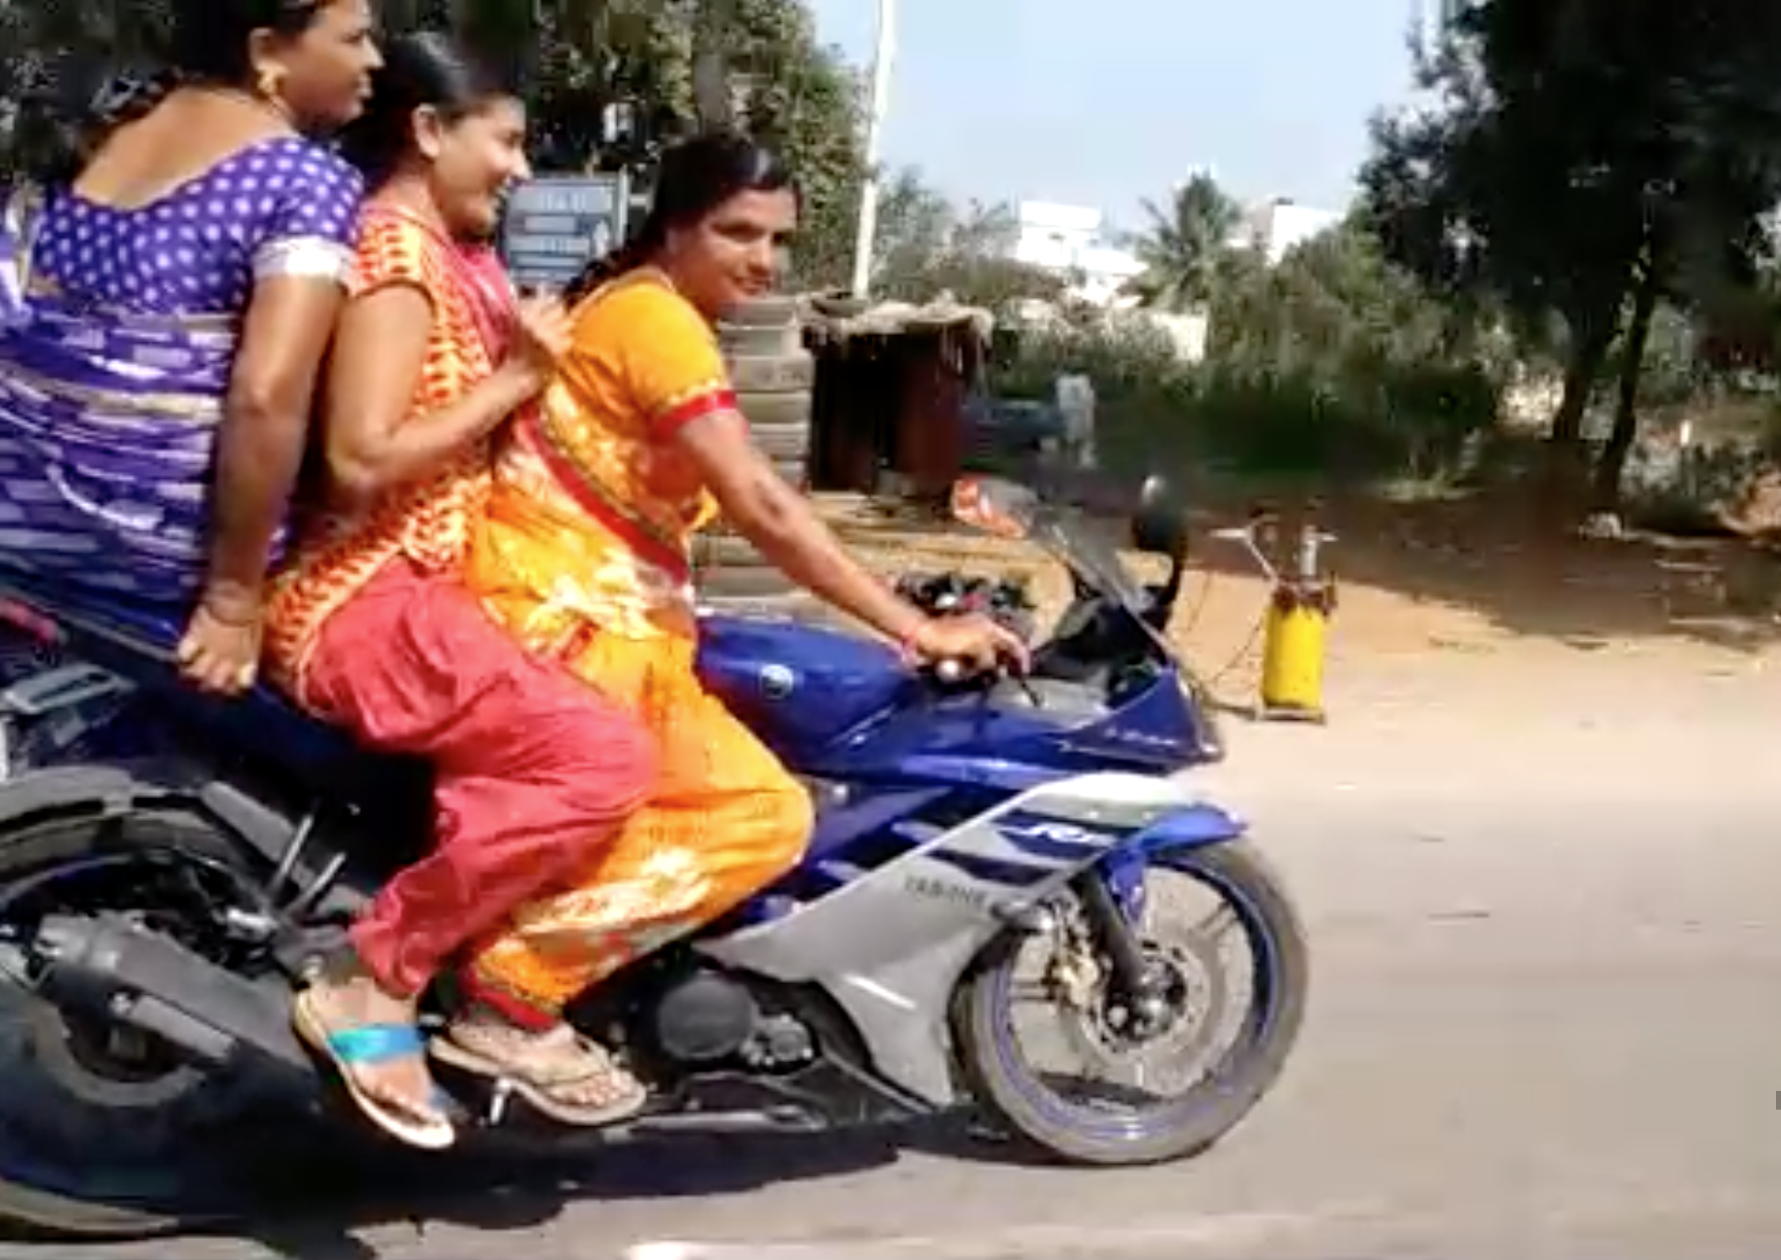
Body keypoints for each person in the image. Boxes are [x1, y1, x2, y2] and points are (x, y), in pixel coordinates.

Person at [442, 133, 1028, 1116]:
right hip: (571, 625)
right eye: (736, 232)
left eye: (778, 240)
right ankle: (512, 992)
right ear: (673, 228)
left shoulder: (639, 308)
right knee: (763, 813)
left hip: (589, 613)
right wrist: (910, 627)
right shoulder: (655, 323)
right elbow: (759, 502)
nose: (763, 259)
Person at [265, 32, 658, 1149]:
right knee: (599, 759)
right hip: (364, 600)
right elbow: (360, 457)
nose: (522, 170)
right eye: (508, 141)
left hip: (433, 592)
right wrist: (518, 377)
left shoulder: (457, 254)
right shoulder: (392, 257)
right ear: (430, 133)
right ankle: (376, 978)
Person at [0, 0, 380, 694]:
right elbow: (266, 397)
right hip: (150, 556)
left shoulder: (96, 134)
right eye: (354, 39)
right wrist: (233, 600)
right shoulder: (302, 182)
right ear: (267, 52)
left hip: (24, 533)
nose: (373, 61)